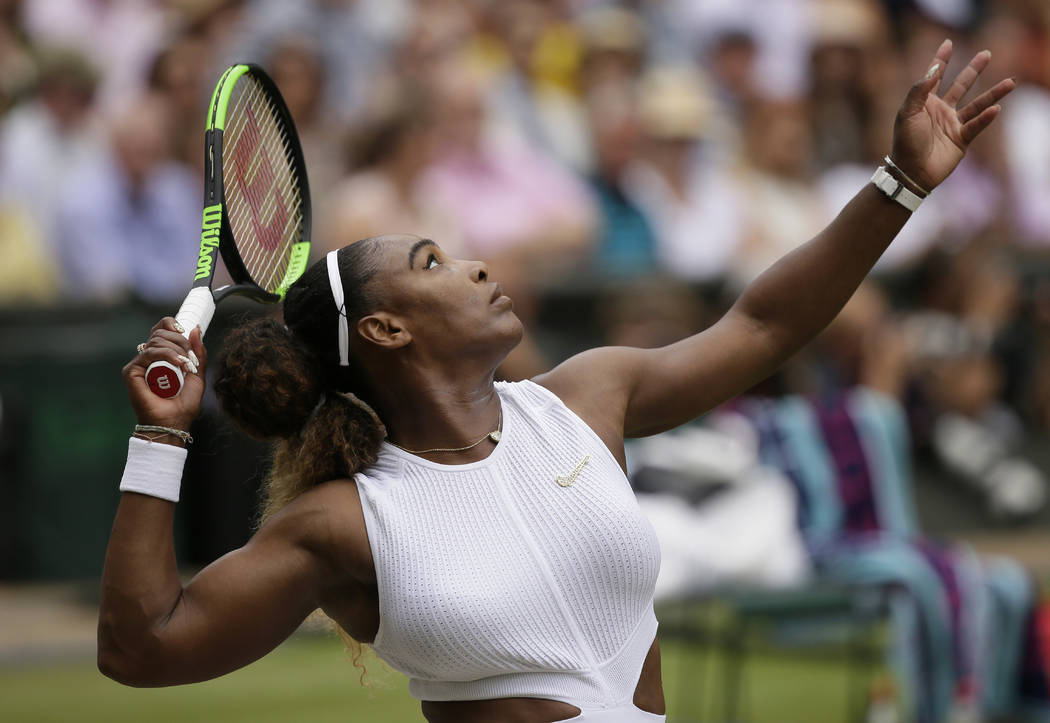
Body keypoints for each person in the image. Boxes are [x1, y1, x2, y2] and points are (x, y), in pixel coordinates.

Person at [98, 42, 1013, 722]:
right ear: (385, 327)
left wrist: (899, 181)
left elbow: (764, 324)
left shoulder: (586, 399)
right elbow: (141, 647)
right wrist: (161, 437)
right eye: (432, 261)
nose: (475, 265)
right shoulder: (345, 523)